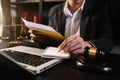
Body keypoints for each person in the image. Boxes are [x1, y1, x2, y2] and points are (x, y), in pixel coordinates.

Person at [30, 0, 114, 56]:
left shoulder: (100, 8)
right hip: (58, 60)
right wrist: (41, 39)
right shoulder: (53, 11)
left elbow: (108, 40)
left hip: (85, 62)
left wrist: (86, 45)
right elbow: (53, 40)